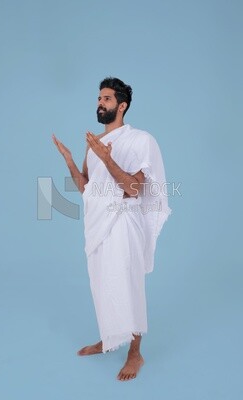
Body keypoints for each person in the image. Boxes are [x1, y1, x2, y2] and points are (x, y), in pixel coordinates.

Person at [52, 77, 171, 381]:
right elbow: (87, 190)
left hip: (124, 222)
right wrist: (69, 163)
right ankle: (108, 338)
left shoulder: (140, 140)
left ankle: (135, 351)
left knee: (127, 284)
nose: (99, 103)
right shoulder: (93, 145)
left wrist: (107, 158)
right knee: (102, 283)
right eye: (98, 98)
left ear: (122, 105)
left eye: (106, 99)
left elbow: (133, 189)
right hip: (97, 223)